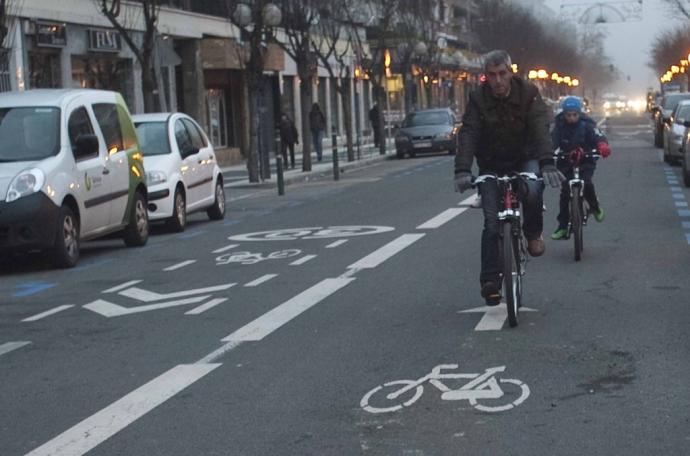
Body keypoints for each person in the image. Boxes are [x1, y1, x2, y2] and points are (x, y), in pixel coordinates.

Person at [454, 50, 564, 306]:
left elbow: (539, 128)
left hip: (525, 156)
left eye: (502, 73)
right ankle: (489, 281)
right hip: (491, 163)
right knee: (491, 223)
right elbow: (469, 133)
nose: (498, 80)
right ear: (486, 77)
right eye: (491, 75)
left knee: (534, 189)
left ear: (511, 72)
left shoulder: (528, 93)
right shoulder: (477, 98)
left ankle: (533, 233)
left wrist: (547, 162)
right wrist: (462, 170)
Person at [550, 96, 611, 240]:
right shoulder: (559, 126)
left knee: (587, 183)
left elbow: (598, 136)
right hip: (566, 161)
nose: (571, 118)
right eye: (568, 115)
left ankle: (594, 207)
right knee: (565, 191)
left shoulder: (587, 125)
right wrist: (548, 151)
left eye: (574, 115)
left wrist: (602, 145)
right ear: (564, 115)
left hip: (586, 160)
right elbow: (552, 141)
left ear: (579, 114)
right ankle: (563, 226)